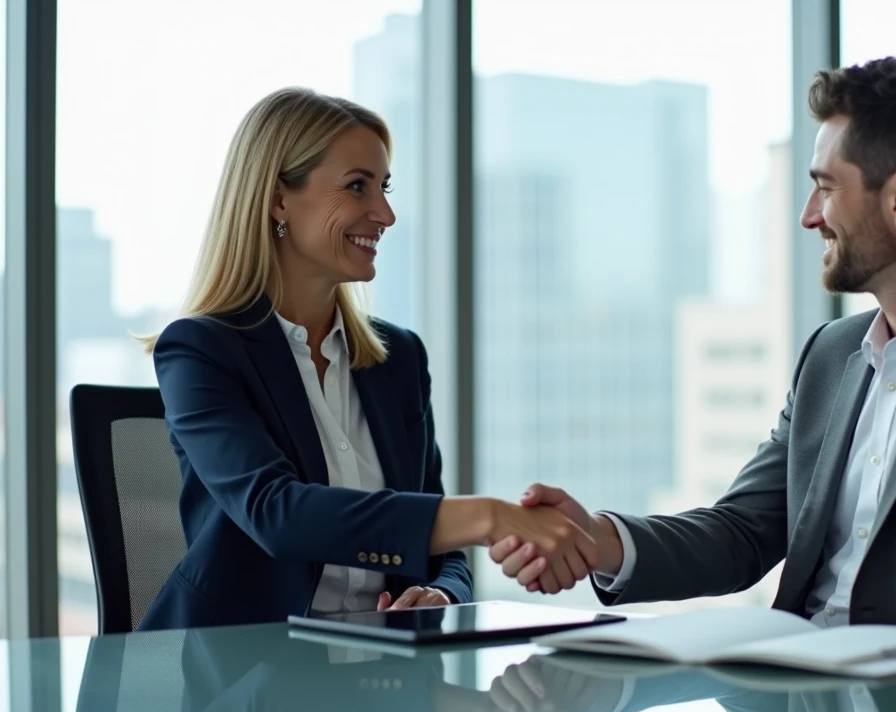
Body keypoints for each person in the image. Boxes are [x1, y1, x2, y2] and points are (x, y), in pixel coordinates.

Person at [490, 57, 896, 645]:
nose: (808, 215)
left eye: (826, 187)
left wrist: (840, 657)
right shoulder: (833, 353)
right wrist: (599, 541)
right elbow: (744, 531)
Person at [138, 88, 599, 631]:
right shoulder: (200, 350)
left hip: (383, 674)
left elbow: (441, 548)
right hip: (241, 680)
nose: (385, 213)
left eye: (384, 187)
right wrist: (490, 516)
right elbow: (277, 513)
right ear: (278, 199)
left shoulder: (397, 358)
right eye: (358, 186)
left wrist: (440, 594)